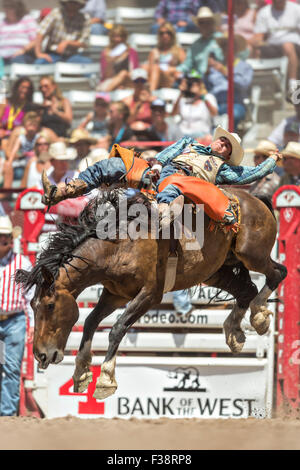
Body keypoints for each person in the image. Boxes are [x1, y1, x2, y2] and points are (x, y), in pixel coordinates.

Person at [41, 126, 283, 230]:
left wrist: (271, 161)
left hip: (186, 182)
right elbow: (168, 153)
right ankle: (63, 191)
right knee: (113, 165)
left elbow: (252, 174)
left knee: (172, 185)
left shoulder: (223, 169)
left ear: (229, 154)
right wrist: (156, 164)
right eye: (222, 139)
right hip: (158, 172)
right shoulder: (191, 144)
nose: (222, 143)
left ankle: (161, 213)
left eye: (227, 144)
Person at [0, 215, 34, 416]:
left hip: (14, 320)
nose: (4, 241)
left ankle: (6, 414)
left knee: (11, 368)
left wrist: (32, 324)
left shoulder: (22, 263)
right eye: (2, 237)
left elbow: (30, 296)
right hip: (12, 321)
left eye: (6, 237)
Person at [252, 0, 300, 100]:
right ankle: (260, 88)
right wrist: (255, 43)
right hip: (272, 45)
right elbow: (259, 35)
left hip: (294, 45)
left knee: (288, 46)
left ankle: (293, 87)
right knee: (254, 49)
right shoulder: (264, 12)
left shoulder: (296, 9)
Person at [206, 34, 253, 130]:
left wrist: (226, 73)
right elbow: (206, 88)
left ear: (235, 48)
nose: (225, 48)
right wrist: (206, 72)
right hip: (216, 104)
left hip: (235, 104)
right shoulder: (214, 67)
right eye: (224, 46)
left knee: (233, 114)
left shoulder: (245, 67)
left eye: (228, 45)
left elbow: (244, 86)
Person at [3, 112, 57, 188]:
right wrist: (17, 157)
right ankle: (6, 191)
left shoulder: (39, 138)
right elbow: (12, 154)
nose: (31, 127)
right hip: (23, 163)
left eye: (33, 125)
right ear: (24, 126)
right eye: (29, 125)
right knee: (7, 164)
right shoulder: (21, 138)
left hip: (34, 163)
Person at [33, 0, 92, 65]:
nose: (72, 5)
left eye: (75, 3)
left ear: (80, 5)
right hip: (52, 54)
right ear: (65, 3)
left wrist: (67, 43)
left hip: (72, 56)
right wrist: (39, 53)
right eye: (70, 2)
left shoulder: (85, 18)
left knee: (87, 63)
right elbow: (40, 33)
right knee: (40, 63)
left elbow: (85, 42)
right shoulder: (56, 13)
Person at [175, 7, 224, 79]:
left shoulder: (222, 39)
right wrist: (175, 71)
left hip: (217, 77)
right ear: (198, 25)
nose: (205, 25)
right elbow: (187, 66)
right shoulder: (195, 45)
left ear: (213, 23)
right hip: (199, 77)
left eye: (208, 22)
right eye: (202, 22)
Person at [173, 72, 218, 138]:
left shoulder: (208, 97)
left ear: (201, 84)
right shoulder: (183, 99)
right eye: (190, 83)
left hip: (202, 135)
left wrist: (201, 96)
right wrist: (181, 93)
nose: (193, 85)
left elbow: (214, 113)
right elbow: (173, 114)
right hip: (183, 135)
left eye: (196, 82)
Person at [97, 24, 139, 92]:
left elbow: (135, 73)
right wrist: (111, 61)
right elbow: (105, 76)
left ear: (125, 37)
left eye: (120, 36)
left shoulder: (131, 52)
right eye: (115, 36)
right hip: (111, 81)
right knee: (121, 75)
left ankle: (104, 95)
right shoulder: (106, 53)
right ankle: (106, 93)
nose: (118, 39)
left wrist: (123, 78)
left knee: (123, 73)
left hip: (129, 81)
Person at [146, 22, 186, 93]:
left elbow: (185, 68)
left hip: (170, 80)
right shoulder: (154, 51)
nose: (165, 35)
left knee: (156, 68)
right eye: (162, 33)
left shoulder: (178, 51)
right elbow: (150, 68)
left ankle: (151, 94)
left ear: (172, 35)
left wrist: (172, 69)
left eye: (168, 33)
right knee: (144, 68)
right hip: (156, 76)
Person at [0, 0, 38, 65]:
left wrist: (23, 50)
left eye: (10, 8)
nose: (7, 10)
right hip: (3, 57)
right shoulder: (2, 22)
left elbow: (35, 40)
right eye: (6, 7)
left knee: (16, 61)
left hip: (22, 55)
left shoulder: (27, 20)